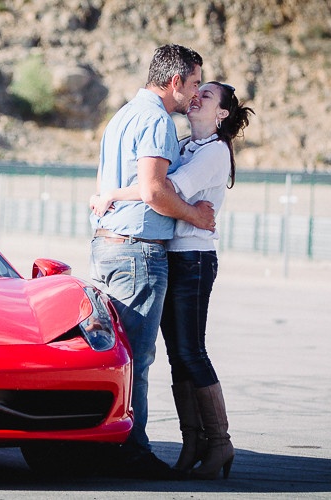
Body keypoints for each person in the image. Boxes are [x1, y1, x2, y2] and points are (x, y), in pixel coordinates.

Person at [92, 81, 255, 480]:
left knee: (191, 352)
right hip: (173, 256)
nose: (197, 96)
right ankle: (192, 443)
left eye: (207, 95)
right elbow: (158, 187)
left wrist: (113, 194)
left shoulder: (215, 151)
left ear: (221, 114)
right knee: (178, 356)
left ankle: (219, 442)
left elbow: (164, 190)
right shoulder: (185, 146)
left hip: (195, 259)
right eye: (198, 90)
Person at [89, 43, 215, 479]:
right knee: (136, 360)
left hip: (107, 245)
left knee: (112, 355)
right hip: (138, 252)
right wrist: (196, 215)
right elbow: (154, 191)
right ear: (175, 81)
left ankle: (105, 442)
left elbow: (108, 185)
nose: (196, 93)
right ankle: (131, 452)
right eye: (194, 83)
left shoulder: (122, 116)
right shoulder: (159, 121)